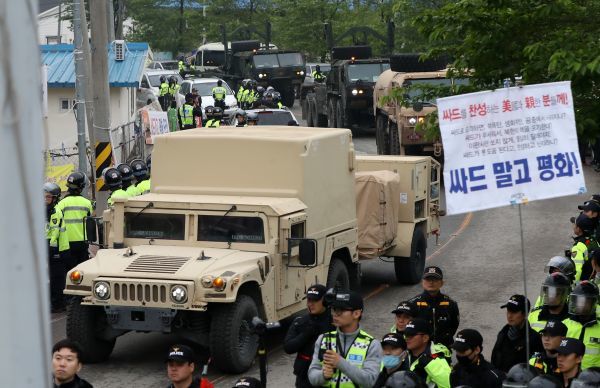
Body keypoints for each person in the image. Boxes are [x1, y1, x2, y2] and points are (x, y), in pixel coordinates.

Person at [308, 290, 382, 387]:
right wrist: (323, 375)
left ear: (356, 313)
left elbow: (369, 380)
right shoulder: (323, 339)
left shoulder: (372, 344)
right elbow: (312, 376)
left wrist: (340, 362)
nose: (334, 314)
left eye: (340, 310)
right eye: (333, 309)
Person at [284, 284, 334, 388]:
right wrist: (305, 334)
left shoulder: (334, 322)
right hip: (304, 374)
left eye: (315, 301)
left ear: (324, 300)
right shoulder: (300, 321)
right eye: (309, 300)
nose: (310, 304)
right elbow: (288, 347)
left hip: (327, 372)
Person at [408, 266, 460, 348]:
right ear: (422, 282)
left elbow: (454, 325)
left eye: (435, 279)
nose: (431, 282)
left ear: (442, 283)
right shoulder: (412, 304)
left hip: (443, 349)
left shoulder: (451, 304)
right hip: (420, 349)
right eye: (428, 279)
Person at [491, 295, 544, 373]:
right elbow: (495, 359)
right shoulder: (503, 332)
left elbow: (534, 367)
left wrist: (517, 343)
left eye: (514, 312)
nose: (509, 316)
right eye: (508, 311)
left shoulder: (534, 338)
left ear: (524, 314)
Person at [55, 172, 94, 270]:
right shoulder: (87, 203)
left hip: (66, 244)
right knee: (82, 272)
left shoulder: (61, 204)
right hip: (82, 244)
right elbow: (90, 219)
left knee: (68, 272)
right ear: (81, 187)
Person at [562, 281, 600, 370]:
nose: (580, 304)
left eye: (584, 301)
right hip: (568, 375)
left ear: (593, 303)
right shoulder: (564, 324)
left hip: (593, 379)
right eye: (578, 300)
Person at [404, 318, 451, 387]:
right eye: (406, 334)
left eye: (411, 335)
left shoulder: (437, 360)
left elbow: (448, 385)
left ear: (425, 338)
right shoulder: (401, 354)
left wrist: (430, 364)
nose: (407, 338)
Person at [45, 182, 67, 313]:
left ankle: (58, 304)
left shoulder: (55, 211)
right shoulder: (46, 210)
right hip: (50, 247)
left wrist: (50, 247)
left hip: (57, 248)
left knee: (57, 277)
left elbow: (54, 232)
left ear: (55, 198)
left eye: (48, 197)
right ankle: (53, 301)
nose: (44, 199)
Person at [571, 213, 597, 281]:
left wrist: (574, 286)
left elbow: (577, 271)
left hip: (584, 287)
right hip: (595, 282)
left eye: (574, 224)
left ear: (579, 229)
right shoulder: (594, 241)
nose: (573, 226)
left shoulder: (578, 247)